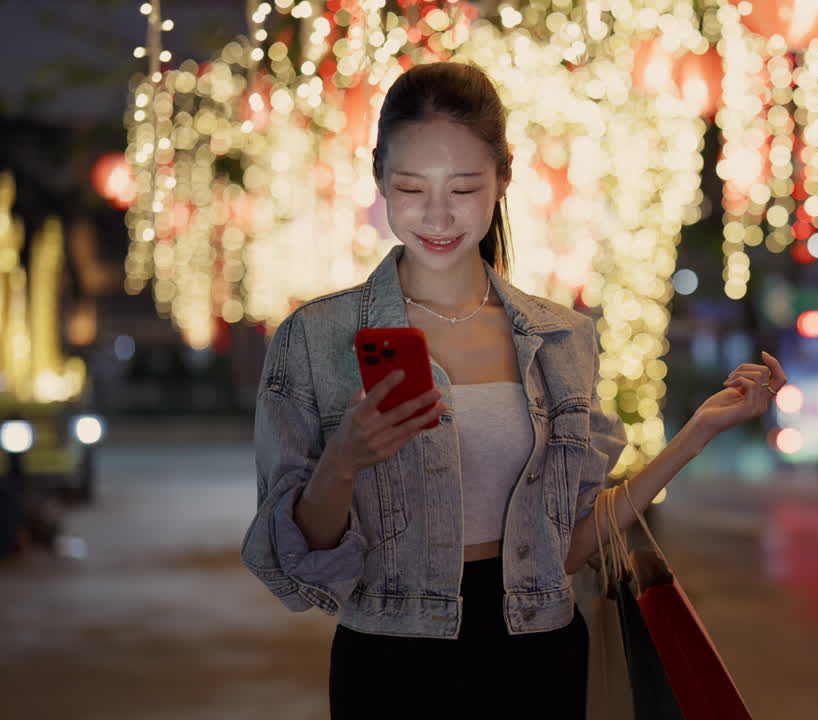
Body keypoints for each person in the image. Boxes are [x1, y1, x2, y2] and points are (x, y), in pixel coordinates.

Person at [240, 61, 787, 719]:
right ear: (379, 176)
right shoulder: (317, 337)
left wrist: (697, 433)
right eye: (411, 187)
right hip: (390, 662)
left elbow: (570, 547)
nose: (437, 214)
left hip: (539, 656)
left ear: (504, 176)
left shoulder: (561, 337)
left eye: (464, 187)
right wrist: (345, 459)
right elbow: (296, 562)